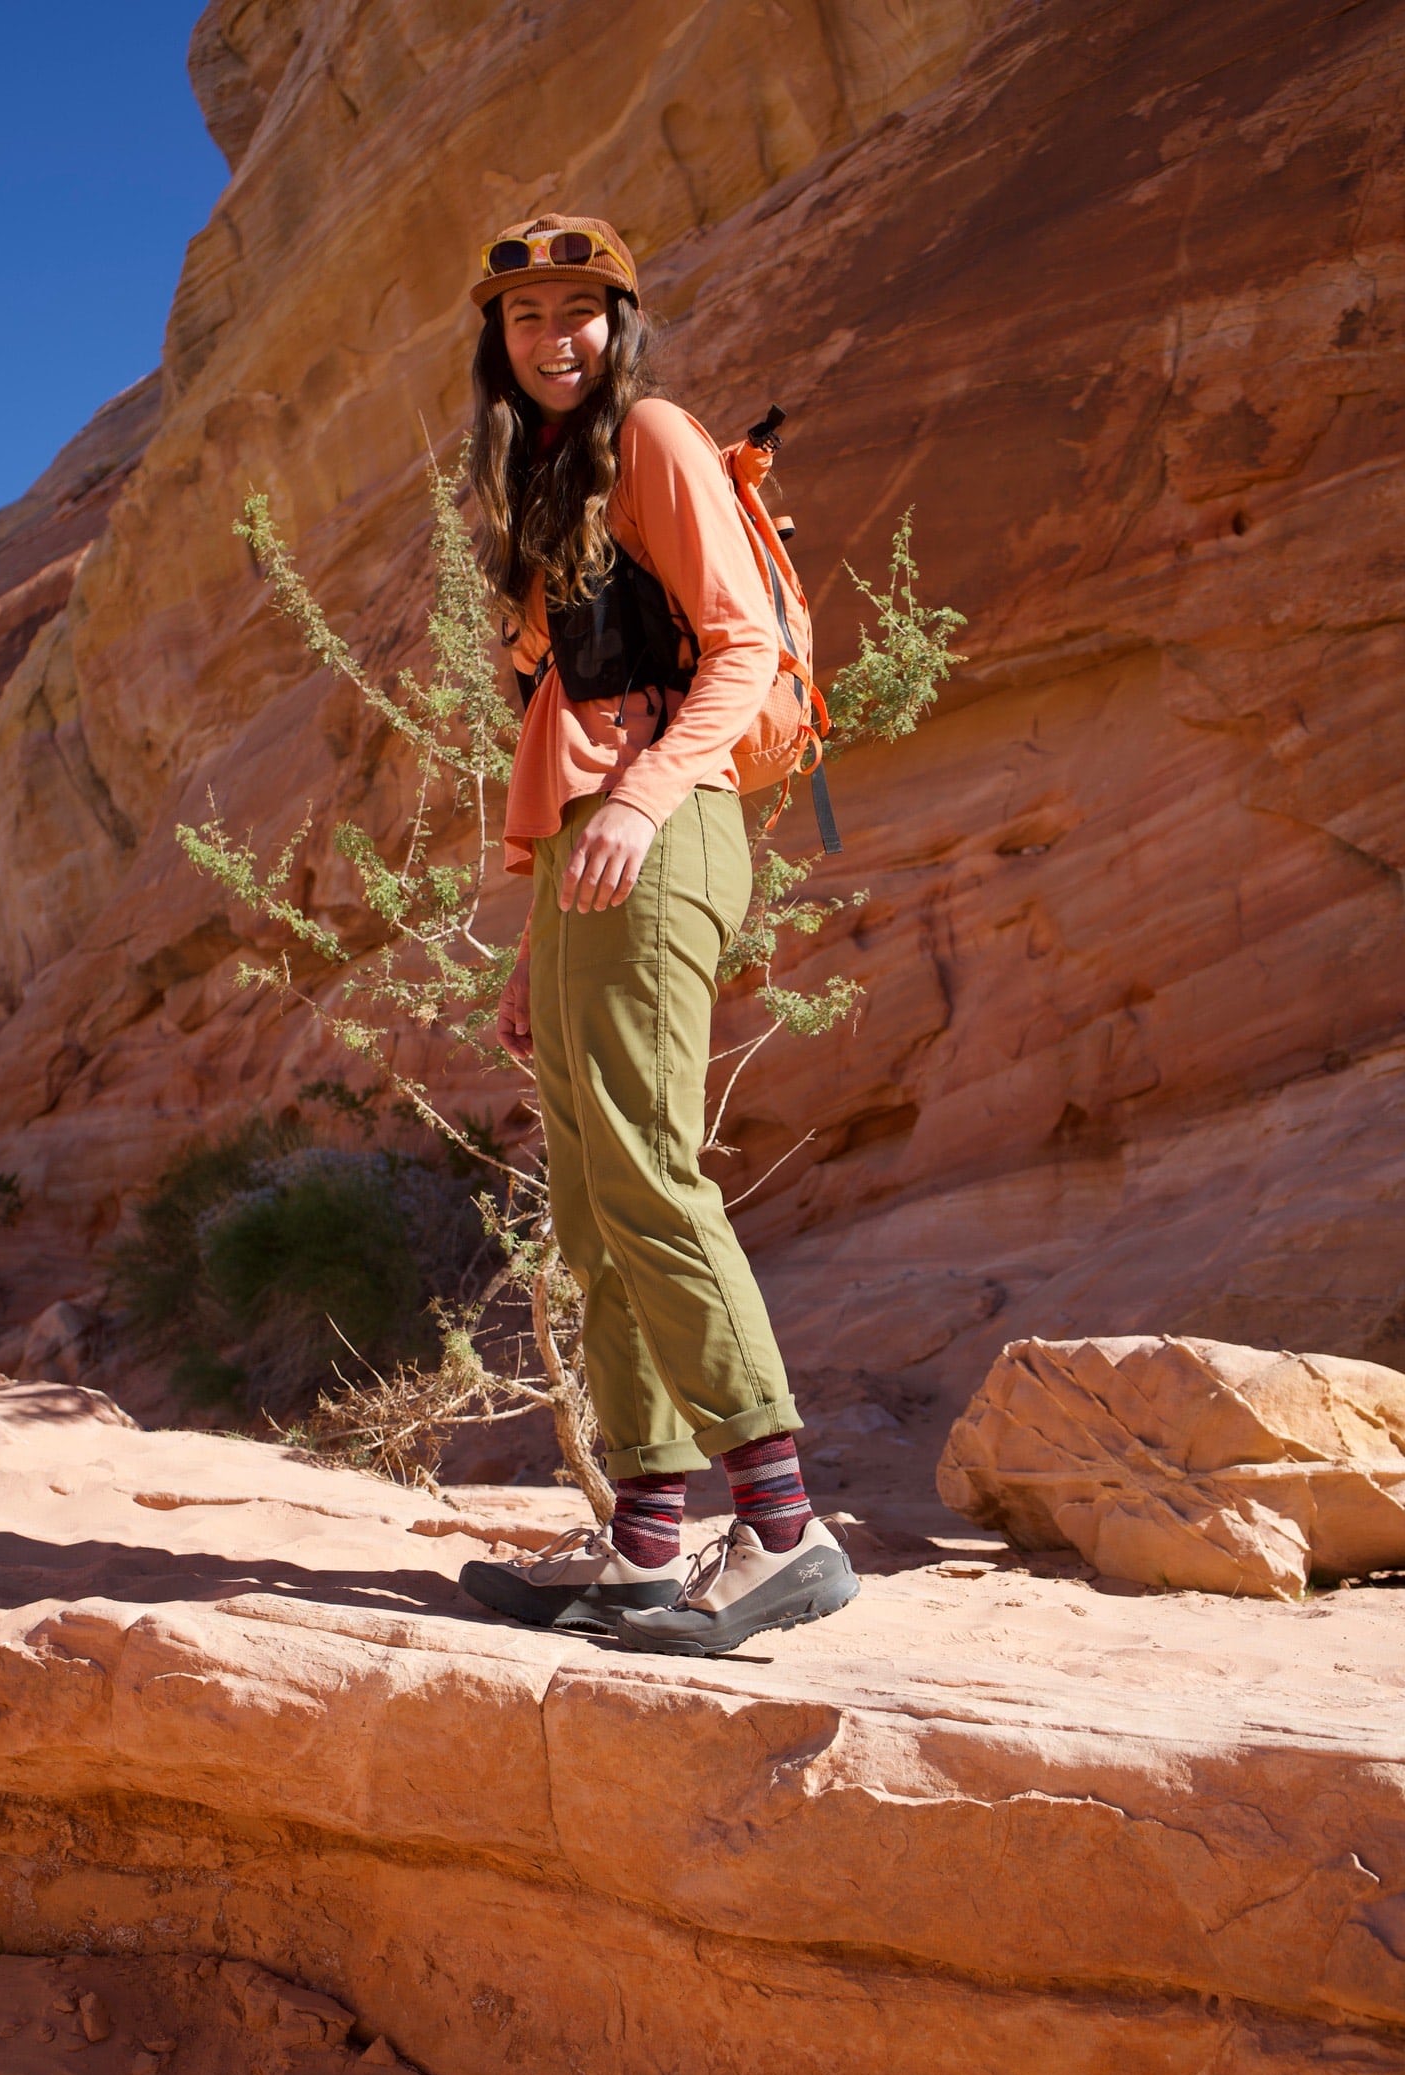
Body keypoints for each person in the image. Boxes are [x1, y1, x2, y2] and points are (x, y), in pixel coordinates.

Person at [455, 213, 858, 1657]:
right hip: (587, 857)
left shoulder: (660, 438)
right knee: (592, 1198)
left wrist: (639, 797)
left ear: (621, 325)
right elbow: (558, 723)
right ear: (497, 349)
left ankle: (785, 1527)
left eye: (580, 311)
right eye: (524, 319)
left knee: (644, 1170)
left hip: (660, 826)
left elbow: (741, 640)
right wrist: (528, 950)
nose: (553, 339)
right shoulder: (545, 483)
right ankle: (640, 1547)